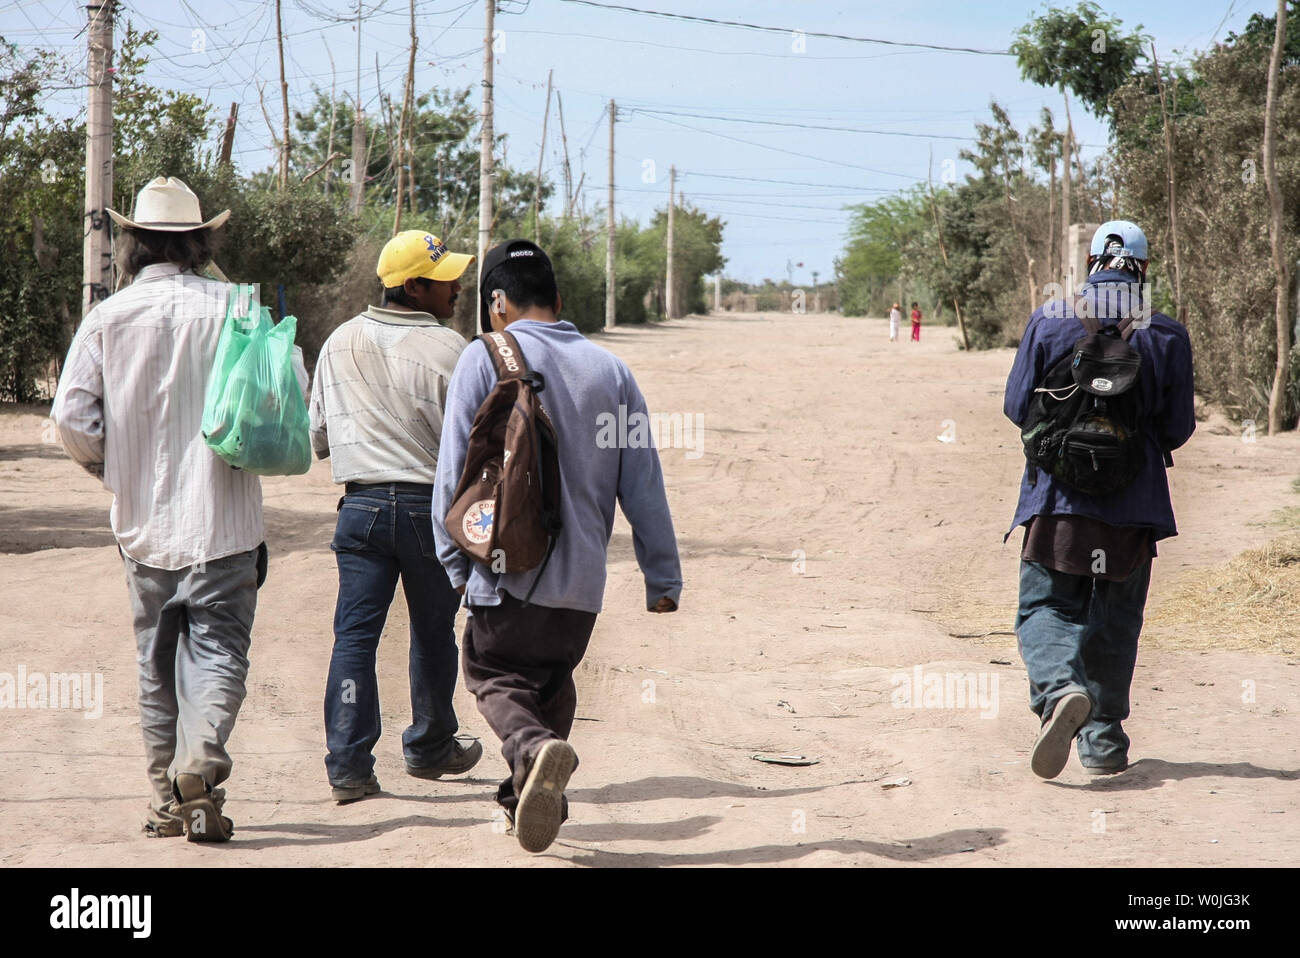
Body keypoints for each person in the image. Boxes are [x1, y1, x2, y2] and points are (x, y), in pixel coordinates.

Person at [51, 176, 303, 842]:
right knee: (218, 653)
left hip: (141, 529)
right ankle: (201, 764)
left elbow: (71, 418)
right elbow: (289, 389)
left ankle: (171, 801)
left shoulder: (108, 317)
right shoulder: (237, 306)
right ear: (199, 242)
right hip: (225, 524)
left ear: (133, 244)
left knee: (155, 666)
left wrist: (114, 466)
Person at [431, 238, 683, 853]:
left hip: (505, 569)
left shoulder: (484, 356)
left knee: (492, 671)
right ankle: (528, 793)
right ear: (559, 301)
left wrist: (454, 566)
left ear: (497, 303)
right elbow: (643, 482)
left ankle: (536, 752)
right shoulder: (612, 371)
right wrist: (662, 578)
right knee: (550, 683)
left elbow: (452, 476)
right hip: (581, 588)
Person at [1003, 220, 1195, 779]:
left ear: (1090, 263)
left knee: (1046, 607)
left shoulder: (1049, 320)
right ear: (1144, 269)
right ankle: (1104, 744)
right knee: (1115, 621)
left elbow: (1017, 407)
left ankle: (1060, 688)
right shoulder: (1166, 333)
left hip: (1056, 504)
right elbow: (1178, 427)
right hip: (1133, 511)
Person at [309, 230, 483, 803]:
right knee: (433, 633)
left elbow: (318, 441)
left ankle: (349, 765)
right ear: (413, 286)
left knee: (354, 637)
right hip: (427, 509)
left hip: (358, 509)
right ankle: (431, 747)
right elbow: (477, 443)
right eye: (445, 280)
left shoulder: (338, 342)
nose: (456, 288)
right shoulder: (453, 350)